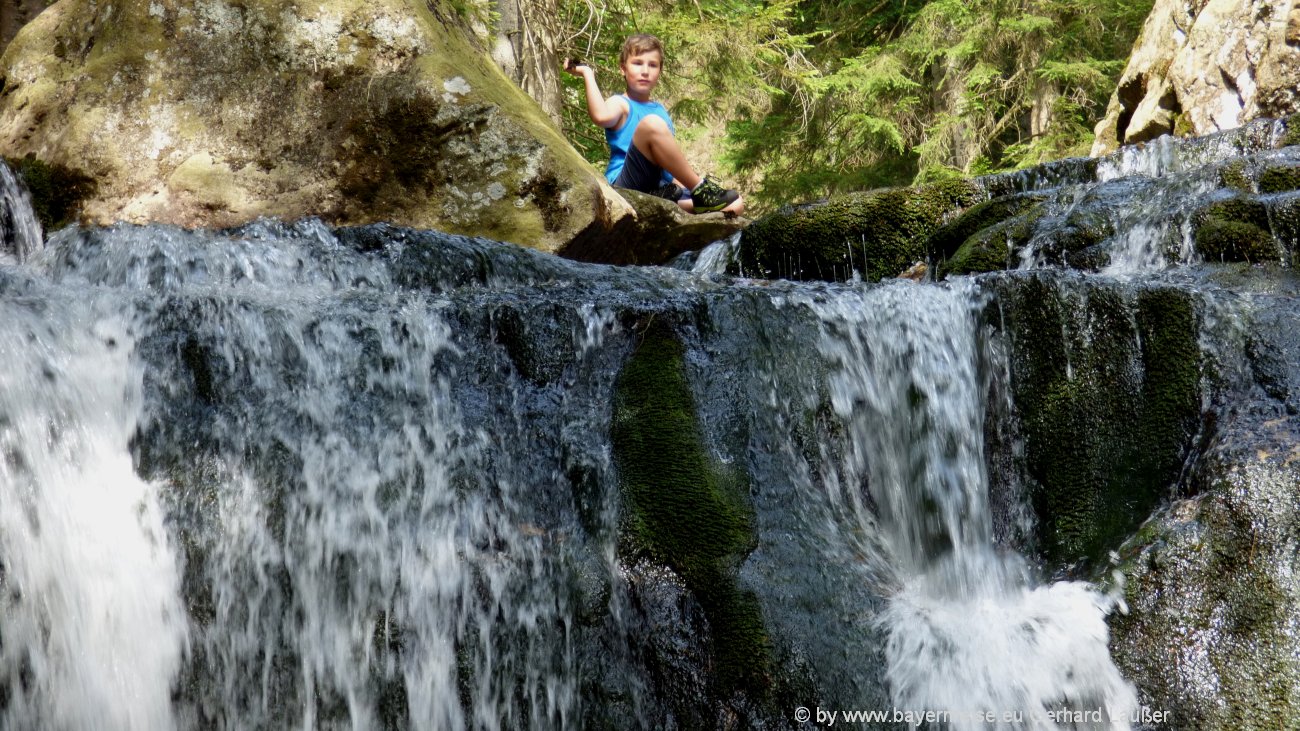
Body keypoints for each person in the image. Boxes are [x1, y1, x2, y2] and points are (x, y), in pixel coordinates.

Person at [564, 34, 744, 215]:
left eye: (652, 65)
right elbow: (600, 116)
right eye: (637, 63)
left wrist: (686, 188)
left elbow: (670, 167)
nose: (645, 71)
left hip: (661, 187)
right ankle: (700, 190)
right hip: (624, 187)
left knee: (735, 205)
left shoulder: (660, 110)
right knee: (651, 125)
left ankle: (673, 203)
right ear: (623, 69)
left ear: (659, 71)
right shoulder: (620, 104)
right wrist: (587, 74)